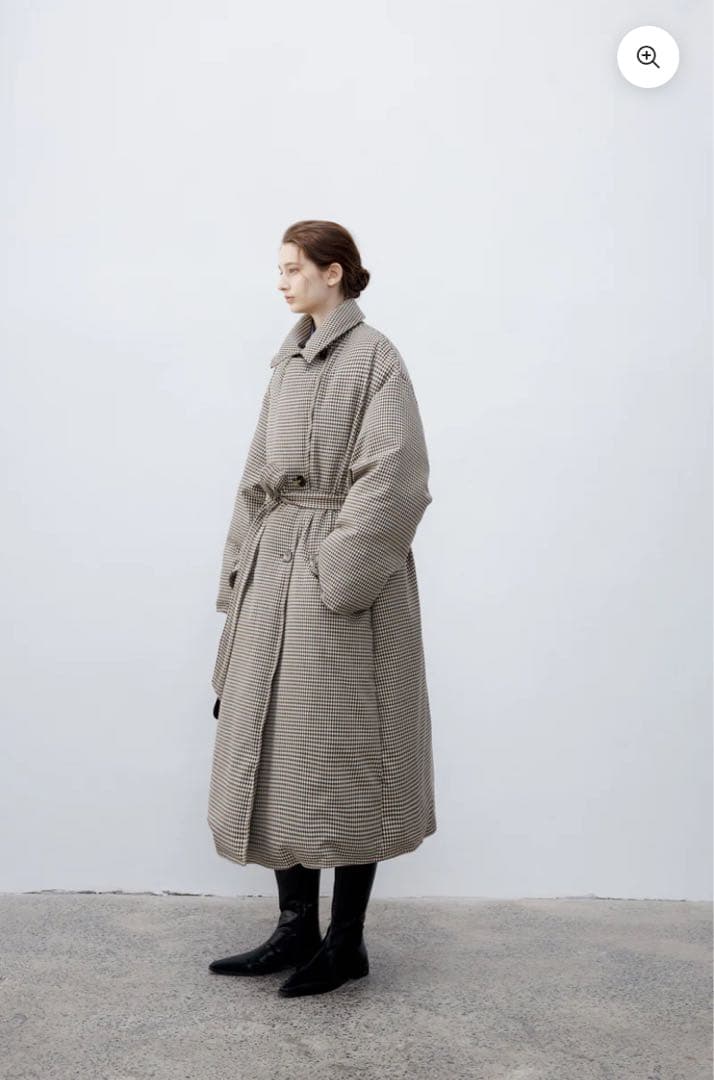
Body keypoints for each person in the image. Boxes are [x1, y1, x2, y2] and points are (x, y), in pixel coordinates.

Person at [207, 220, 436, 997]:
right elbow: (256, 474)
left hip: (338, 585)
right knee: (280, 747)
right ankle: (295, 928)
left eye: (292, 268)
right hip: (274, 572)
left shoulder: (376, 358)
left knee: (345, 749)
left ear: (333, 272)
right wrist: (238, 570)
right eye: (279, 269)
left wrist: (339, 574)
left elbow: (398, 476)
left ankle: (347, 942)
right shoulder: (287, 363)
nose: (281, 281)